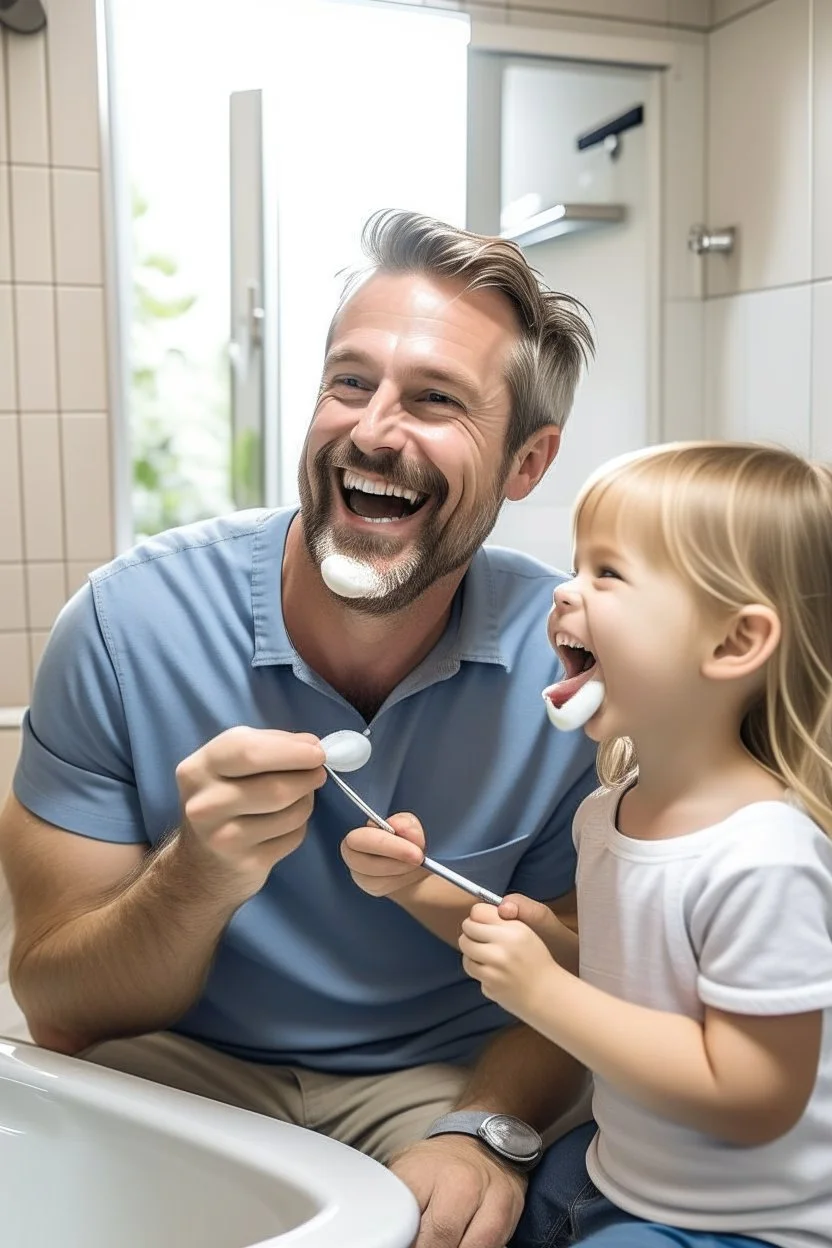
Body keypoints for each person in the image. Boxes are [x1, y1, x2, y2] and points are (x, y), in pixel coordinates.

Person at [0, 210, 599, 1248]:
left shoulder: (573, 673)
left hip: (441, 1079)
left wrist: (483, 1131)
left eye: (435, 401)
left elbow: (585, 984)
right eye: (349, 382)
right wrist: (198, 877)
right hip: (174, 1061)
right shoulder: (123, 624)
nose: (372, 430)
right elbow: (58, 1006)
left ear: (526, 464)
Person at [453, 441, 832, 1247]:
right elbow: (646, 988)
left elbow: (756, 1095)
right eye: (577, 564)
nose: (564, 591)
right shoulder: (608, 812)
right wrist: (553, 949)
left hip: (737, 1227)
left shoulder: (762, 857)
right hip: (610, 1174)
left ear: (733, 644)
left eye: (608, 575)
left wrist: (544, 995)